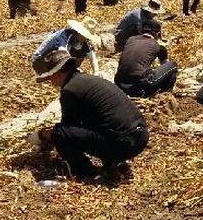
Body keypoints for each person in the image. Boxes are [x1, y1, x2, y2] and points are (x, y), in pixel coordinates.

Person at [33, 49, 148, 181]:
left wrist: (43, 135)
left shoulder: (70, 90)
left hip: (122, 144)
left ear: (57, 74)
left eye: (50, 77)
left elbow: (66, 130)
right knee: (97, 124)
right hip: (141, 136)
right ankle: (116, 163)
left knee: (60, 133)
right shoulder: (89, 81)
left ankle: (90, 174)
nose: (50, 81)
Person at [115, 20, 178, 97]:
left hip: (119, 84)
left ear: (142, 30)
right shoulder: (156, 45)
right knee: (173, 66)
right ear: (157, 34)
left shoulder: (130, 40)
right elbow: (164, 64)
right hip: (139, 85)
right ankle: (164, 96)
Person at [32, 18, 102, 76]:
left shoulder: (85, 41)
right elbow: (61, 55)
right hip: (41, 61)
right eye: (85, 36)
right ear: (79, 32)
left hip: (59, 62)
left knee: (81, 53)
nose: (87, 39)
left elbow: (92, 56)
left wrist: (96, 72)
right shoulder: (65, 36)